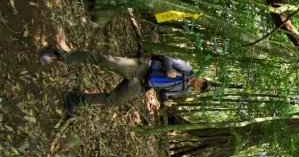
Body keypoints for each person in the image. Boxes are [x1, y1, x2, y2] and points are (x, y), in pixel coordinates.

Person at [38, 48, 212, 116]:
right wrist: (169, 69)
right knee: (105, 61)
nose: (198, 84)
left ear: (197, 90)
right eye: (201, 82)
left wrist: (166, 99)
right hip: (142, 68)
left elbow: (164, 91)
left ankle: (74, 99)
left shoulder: (184, 90)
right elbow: (167, 57)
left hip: (143, 84)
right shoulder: (187, 68)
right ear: (201, 78)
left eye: (200, 88)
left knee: (115, 100)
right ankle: (60, 55)